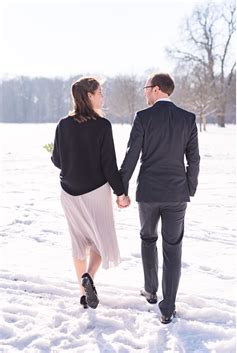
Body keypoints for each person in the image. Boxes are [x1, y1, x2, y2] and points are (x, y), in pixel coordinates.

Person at [119, 73, 200, 324]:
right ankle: (168, 308)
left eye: (146, 88)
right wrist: (189, 188)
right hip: (177, 193)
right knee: (173, 248)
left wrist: (122, 189)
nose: (145, 93)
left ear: (156, 89)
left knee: (148, 238)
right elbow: (194, 159)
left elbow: (132, 155)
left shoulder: (144, 117)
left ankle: (151, 290)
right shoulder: (187, 119)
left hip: (149, 193)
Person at [51, 77, 128, 309]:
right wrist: (121, 193)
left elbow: (57, 160)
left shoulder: (63, 124)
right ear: (89, 96)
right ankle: (89, 278)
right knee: (99, 242)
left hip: (68, 192)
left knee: (78, 242)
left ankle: (83, 293)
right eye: (100, 91)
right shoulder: (102, 125)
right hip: (95, 191)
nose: (102, 95)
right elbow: (109, 165)